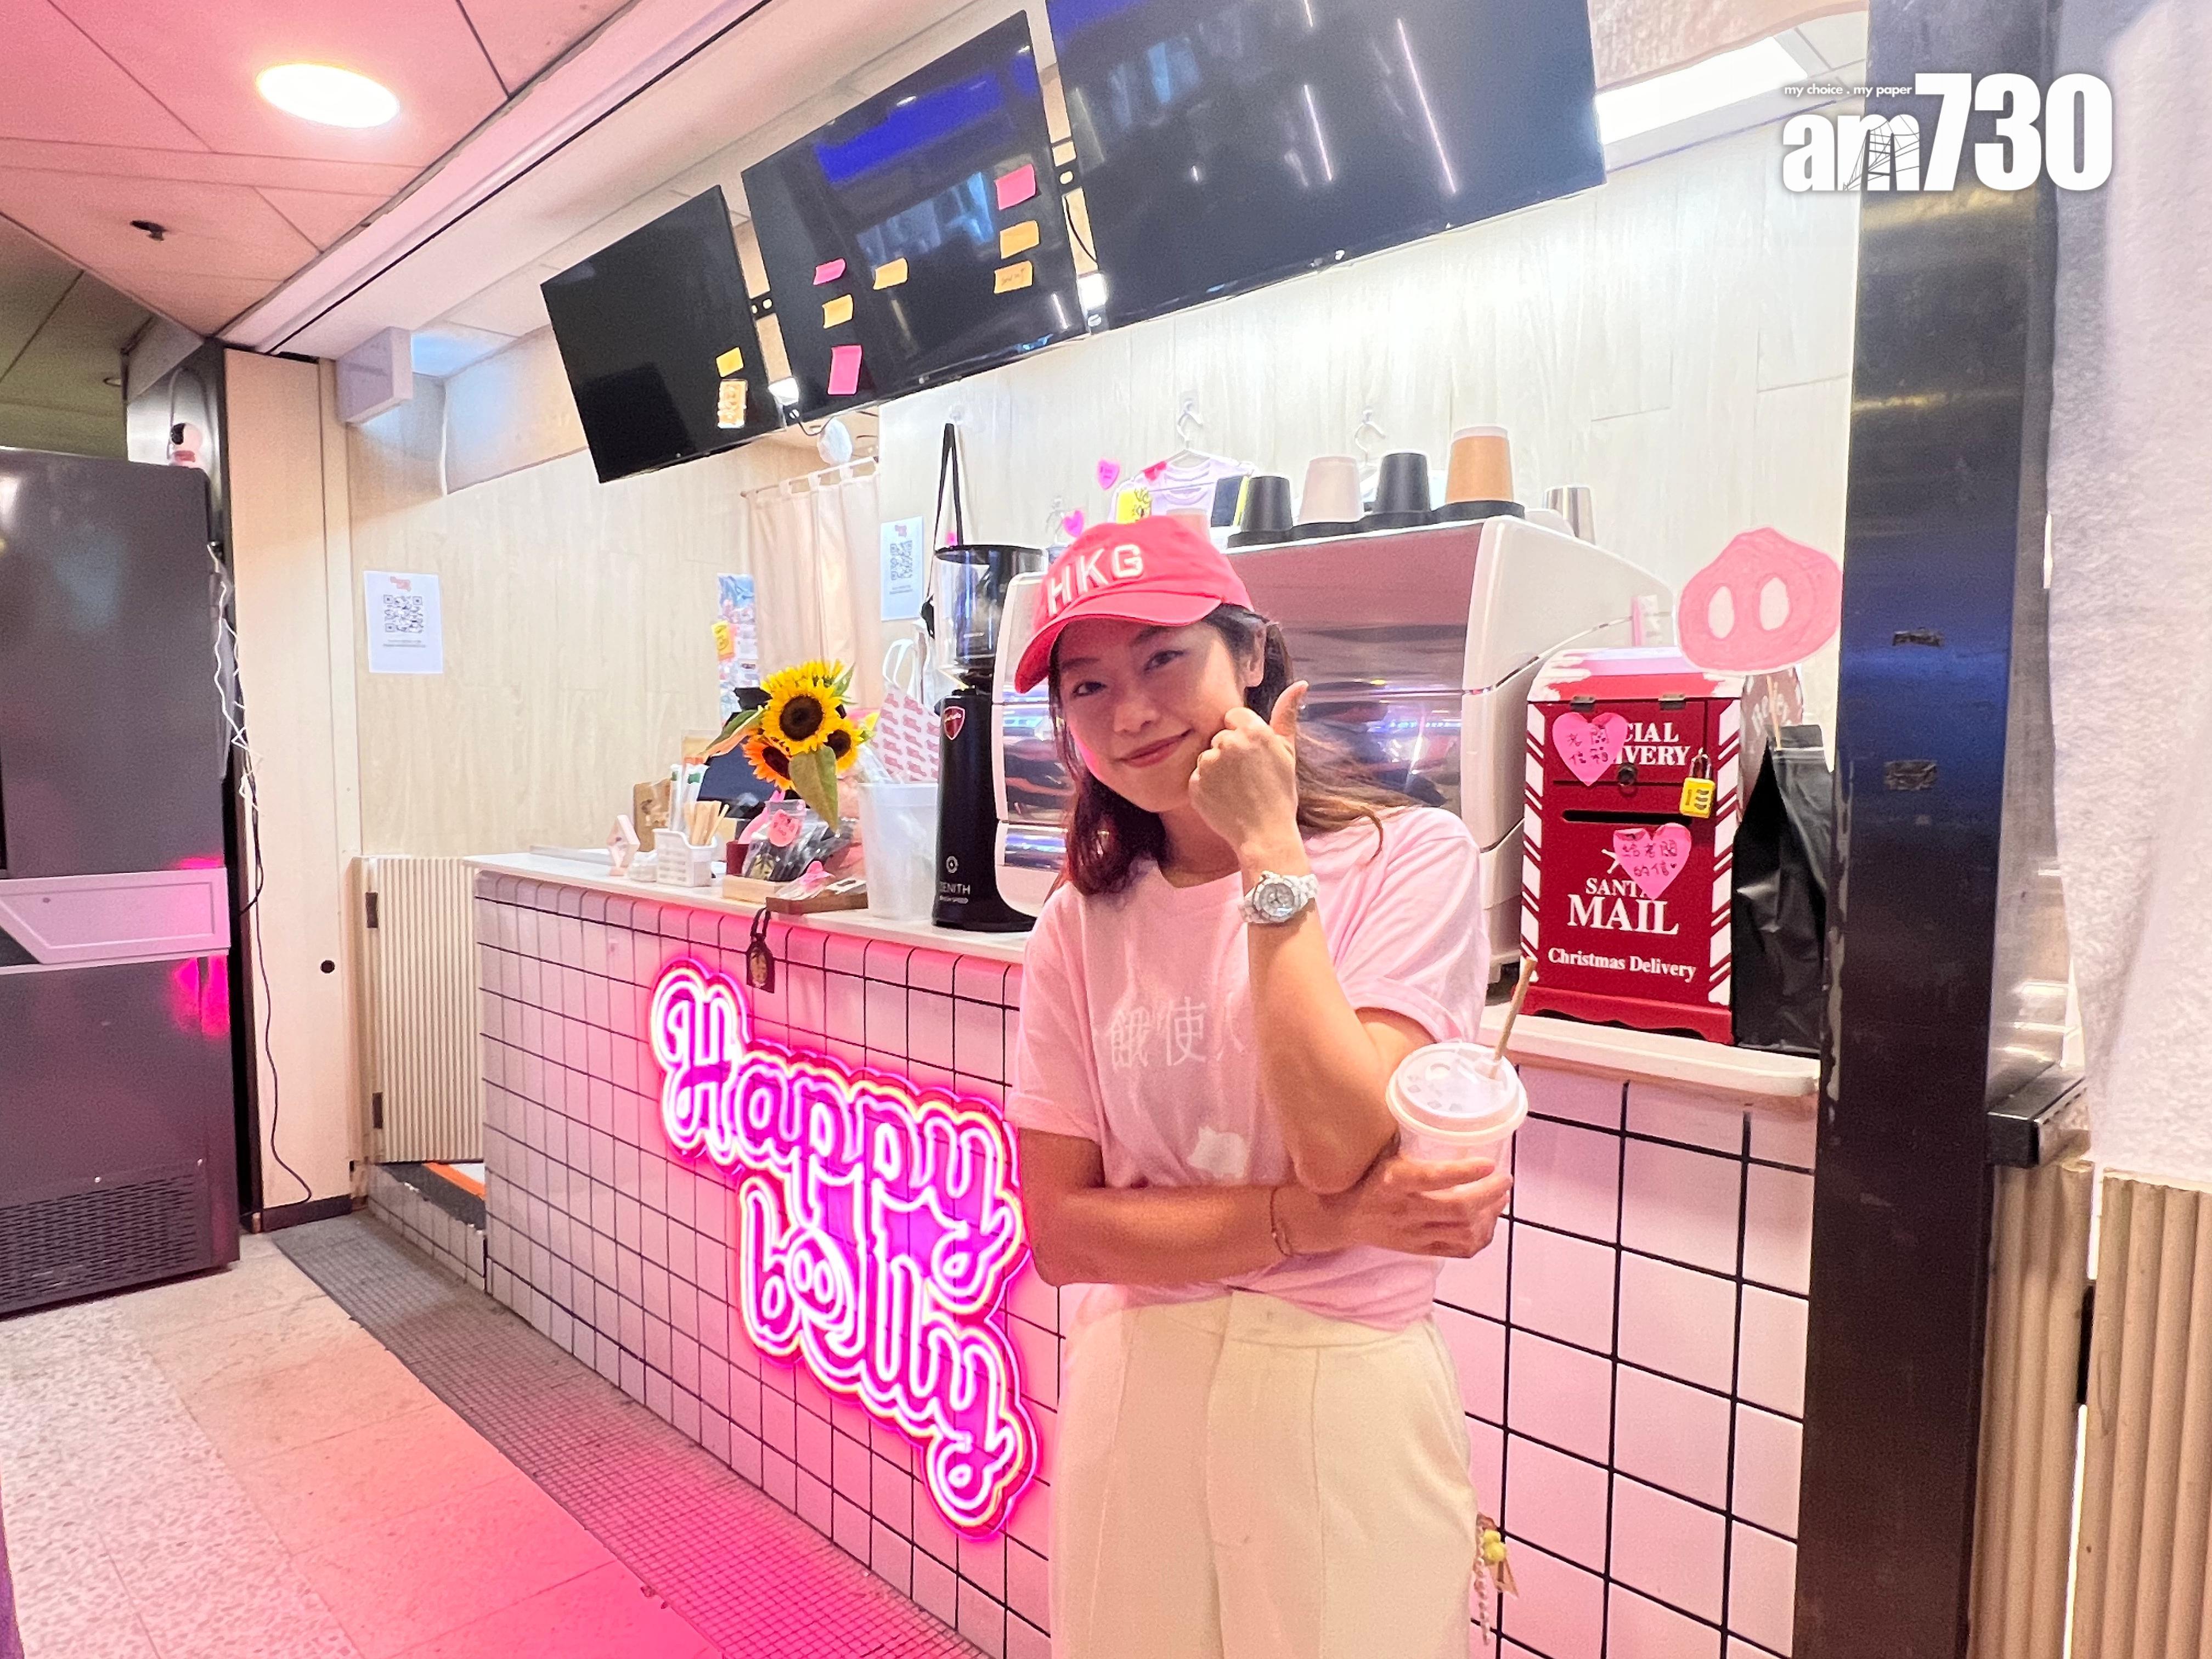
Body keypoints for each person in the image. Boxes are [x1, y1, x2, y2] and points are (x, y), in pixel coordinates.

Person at [1007, 516, 1513, 1658]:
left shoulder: (1409, 858)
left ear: (1249, 656)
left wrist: (1270, 852)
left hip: (1342, 1388)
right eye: (1088, 686)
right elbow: (1065, 1233)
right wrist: (1326, 1221)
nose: (1131, 712)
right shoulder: (1076, 927)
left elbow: (1340, 1140)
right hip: (1139, 1378)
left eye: (1163, 658)